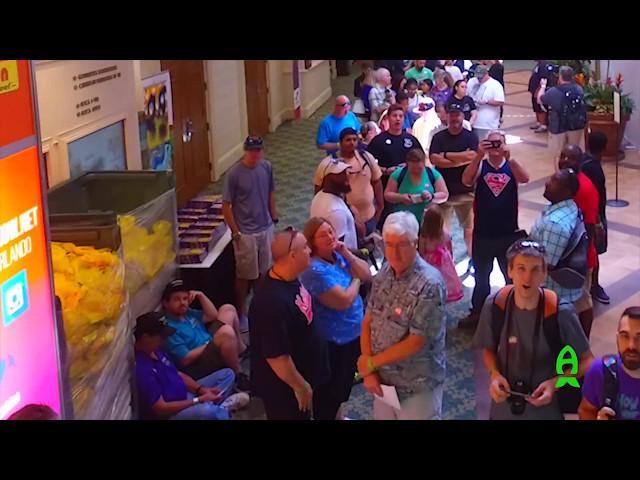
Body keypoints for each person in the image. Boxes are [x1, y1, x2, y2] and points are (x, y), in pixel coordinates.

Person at [473, 239, 592, 420]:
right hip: (503, 409)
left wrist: (555, 383)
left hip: (545, 411)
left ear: (545, 274)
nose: (527, 277)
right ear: (510, 271)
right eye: (521, 268)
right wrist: (494, 374)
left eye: (535, 269)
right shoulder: (496, 305)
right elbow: (488, 349)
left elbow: (588, 361)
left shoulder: (560, 312)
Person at [358, 211, 447, 420]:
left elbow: (415, 342)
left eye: (401, 245)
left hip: (416, 385)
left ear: (415, 243)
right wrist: (369, 370)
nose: (394, 253)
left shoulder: (430, 284)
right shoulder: (384, 274)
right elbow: (369, 319)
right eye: (389, 244)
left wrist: (371, 363)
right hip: (383, 381)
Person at [249, 227, 330, 420]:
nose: (310, 250)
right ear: (293, 256)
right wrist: (300, 386)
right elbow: (276, 356)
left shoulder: (288, 277)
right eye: (305, 248)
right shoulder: (270, 302)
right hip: (286, 391)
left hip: (306, 374)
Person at [300, 217, 372, 420]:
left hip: (353, 333)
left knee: (343, 385)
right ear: (312, 241)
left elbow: (367, 274)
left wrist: (346, 253)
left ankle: (337, 417)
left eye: (331, 231)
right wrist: (355, 278)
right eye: (323, 235)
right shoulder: (313, 269)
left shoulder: (337, 256)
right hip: (333, 341)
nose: (330, 237)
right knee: (330, 391)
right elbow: (343, 301)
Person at [459, 131, 530, 329]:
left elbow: (525, 178)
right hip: (483, 234)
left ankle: (512, 313)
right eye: (492, 143)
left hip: (508, 234)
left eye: (499, 142)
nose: (495, 146)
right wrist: (478, 155)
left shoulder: (511, 165)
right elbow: (466, 180)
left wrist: (511, 158)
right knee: (482, 277)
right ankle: (477, 313)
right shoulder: (481, 165)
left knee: (510, 276)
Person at [134, 311, 249, 420]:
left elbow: (178, 374)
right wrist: (198, 400)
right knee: (208, 411)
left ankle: (215, 408)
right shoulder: (142, 369)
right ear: (145, 337)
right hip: (173, 412)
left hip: (186, 394)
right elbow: (161, 409)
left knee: (227, 374)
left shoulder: (156, 351)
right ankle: (220, 410)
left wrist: (201, 390)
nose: (164, 340)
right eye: (161, 337)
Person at [222, 135, 277, 326]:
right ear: (245, 150)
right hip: (245, 232)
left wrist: (274, 216)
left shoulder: (266, 167)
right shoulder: (234, 174)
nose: (255, 154)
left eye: (258, 150)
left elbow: (271, 192)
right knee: (245, 274)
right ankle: (241, 310)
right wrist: (235, 232)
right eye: (252, 150)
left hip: (266, 227)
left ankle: (262, 306)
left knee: (265, 271)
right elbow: (226, 205)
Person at [161, 280, 249, 390]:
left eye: (185, 298)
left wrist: (201, 296)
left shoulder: (188, 313)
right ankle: (238, 374)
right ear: (165, 303)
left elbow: (213, 316)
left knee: (227, 309)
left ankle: (241, 350)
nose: (183, 303)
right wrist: (211, 343)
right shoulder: (170, 328)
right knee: (226, 332)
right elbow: (185, 359)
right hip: (200, 361)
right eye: (177, 300)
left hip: (209, 342)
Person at [429, 103, 479, 271]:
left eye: (457, 114)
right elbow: (435, 159)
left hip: (467, 192)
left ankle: (474, 258)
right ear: (447, 117)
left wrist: (447, 156)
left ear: (462, 116)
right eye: (452, 115)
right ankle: (445, 262)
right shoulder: (438, 137)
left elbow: (472, 157)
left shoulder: (471, 136)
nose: (455, 118)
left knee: (470, 229)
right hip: (444, 193)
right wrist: (460, 158)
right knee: (443, 232)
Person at [558, 144, 600, 338]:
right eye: (563, 156)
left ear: (580, 161)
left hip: (580, 260)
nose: (565, 160)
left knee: (583, 303)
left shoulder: (584, 189)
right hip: (569, 259)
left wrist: (579, 261)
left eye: (571, 157)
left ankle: (583, 344)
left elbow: (589, 228)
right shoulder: (567, 183)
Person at [530, 169, 584, 314]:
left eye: (554, 181)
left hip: (553, 296)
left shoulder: (555, 224)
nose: (547, 183)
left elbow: (545, 265)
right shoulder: (571, 206)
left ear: (566, 191)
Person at [313, 128, 384, 237]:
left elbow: (377, 182)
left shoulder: (367, 158)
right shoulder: (329, 164)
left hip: (369, 217)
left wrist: (380, 206)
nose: (352, 143)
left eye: (354, 140)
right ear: (340, 143)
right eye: (348, 140)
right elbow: (318, 191)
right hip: (342, 221)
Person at [579, 306, 640, 420]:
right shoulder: (599, 371)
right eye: (624, 336)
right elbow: (586, 410)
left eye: (639, 337)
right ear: (617, 338)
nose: (631, 345)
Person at [384, 148, 448, 226]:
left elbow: (444, 195)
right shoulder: (398, 174)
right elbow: (387, 195)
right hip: (403, 221)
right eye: (413, 168)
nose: (416, 171)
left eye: (419, 168)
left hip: (426, 221)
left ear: (424, 163)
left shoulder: (433, 174)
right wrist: (402, 197)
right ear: (407, 164)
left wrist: (431, 196)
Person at [581, 132, 609, 304]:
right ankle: (594, 286)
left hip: (585, 215)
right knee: (595, 250)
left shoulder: (583, 161)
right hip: (593, 216)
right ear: (604, 148)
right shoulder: (594, 168)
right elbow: (596, 197)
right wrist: (598, 223)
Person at [541, 66, 587, 164]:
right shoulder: (579, 89)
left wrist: (543, 86)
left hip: (558, 127)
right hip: (576, 126)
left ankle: (561, 176)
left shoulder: (553, 91)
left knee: (558, 154)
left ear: (560, 76)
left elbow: (540, 99)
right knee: (576, 152)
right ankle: (576, 174)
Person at [310, 158, 358, 251]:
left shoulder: (320, 195)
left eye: (345, 172)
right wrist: (357, 256)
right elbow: (337, 248)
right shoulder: (335, 211)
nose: (347, 176)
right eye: (340, 174)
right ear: (327, 178)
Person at [419, 205, 464, 304]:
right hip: (444, 263)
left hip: (430, 264)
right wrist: (450, 260)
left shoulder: (424, 237)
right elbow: (450, 249)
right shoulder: (445, 234)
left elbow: (422, 252)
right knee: (444, 281)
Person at [466, 64, 505, 141]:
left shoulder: (495, 85)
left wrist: (487, 102)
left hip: (487, 124)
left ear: (486, 74)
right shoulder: (471, 81)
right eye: (477, 77)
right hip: (471, 122)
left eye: (481, 77)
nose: (479, 79)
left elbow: (500, 102)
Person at [528, 60, 556, 133]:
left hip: (540, 91)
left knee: (541, 107)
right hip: (534, 90)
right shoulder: (539, 64)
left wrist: (538, 90)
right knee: (536, 107)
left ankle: (543, 125)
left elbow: (543, 79)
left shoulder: (544, 65)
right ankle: (539, 122)